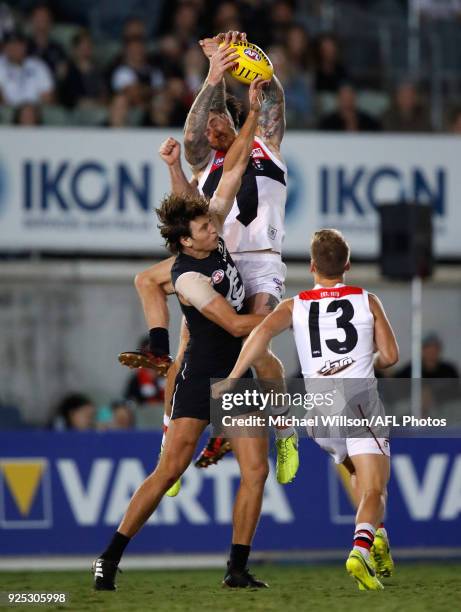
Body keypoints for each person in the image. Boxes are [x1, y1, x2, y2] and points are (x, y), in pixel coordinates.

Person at [93, 77, 271, 591]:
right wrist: (289, 312)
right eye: (206, 230)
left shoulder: (203, 229)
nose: (216, 229)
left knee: (254, 472)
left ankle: (236, 568)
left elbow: (234, 165)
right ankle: (109, 556)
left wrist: (253, 115)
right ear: (184, 243)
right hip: (206, 372)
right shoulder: (187, 278)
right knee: (170, 469)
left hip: (236, 372)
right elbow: (238, 324)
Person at [132, 31, 298, 479]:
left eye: (215, 122)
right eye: (206, 125)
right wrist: (215, 72)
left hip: (261, 259)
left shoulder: (266, 144)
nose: (208, 128)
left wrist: (250, 61)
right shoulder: (204, 166)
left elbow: (272, 96)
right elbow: (189, 150)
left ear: (232, 118)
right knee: (187, 355)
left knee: (255, 341)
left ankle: (284, 432)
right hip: (216, 259)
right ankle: (169, 443)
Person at [213, 229, 399, 591]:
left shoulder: (294, 306)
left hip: (318, 414)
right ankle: (361, 549)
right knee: (376, 489)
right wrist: (367, 358)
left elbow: (260, 336)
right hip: (359, 403)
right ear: (347, 265)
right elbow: (391, 357)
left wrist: (234, 377)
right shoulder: (367, 300)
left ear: (312, 266)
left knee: (358, 473)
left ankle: (377, 536)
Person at [0, 30, 54, 106]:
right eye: (10, 44)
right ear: (4, 48)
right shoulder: (1, 64)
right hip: (7, 112)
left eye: (18, 44)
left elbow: (47, 96)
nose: (14, 48)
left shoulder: (38, 65)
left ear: (24, 46)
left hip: (36, 111)